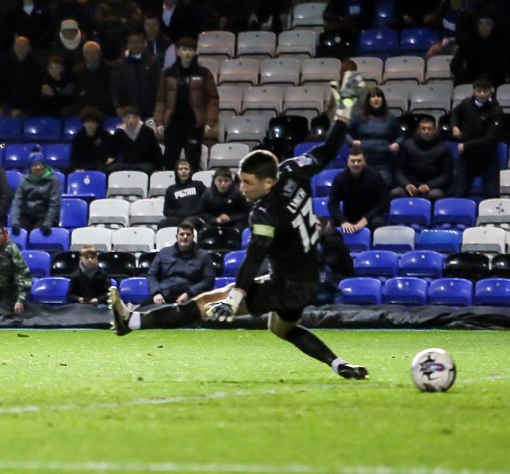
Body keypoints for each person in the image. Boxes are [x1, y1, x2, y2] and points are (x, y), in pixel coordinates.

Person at [110, 71, 371, 380]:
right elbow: (328, 149)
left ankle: (132, 323)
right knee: (281, 327)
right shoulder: (292, 171)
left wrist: (233, 300)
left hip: (287, 284)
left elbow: (253, 258)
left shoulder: (265, 212)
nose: (242, 188)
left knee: (206, 302)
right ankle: (339, 364)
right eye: (240, 181)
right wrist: (343, 113)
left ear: (268, 182)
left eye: (248, 183)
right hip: (309, 278)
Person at [154, 37, 219, 171]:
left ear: (195, 52)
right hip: (172, 124)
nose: (187, 53)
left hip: (193, 125)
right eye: (184, 50)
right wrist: (159, 122)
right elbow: (161, 100)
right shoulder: (167, 73)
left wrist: (210, 122)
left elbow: (212, 99)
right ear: (178, 52)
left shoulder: (203, 73)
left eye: (190, 50)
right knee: (170, 161)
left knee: (193, 162)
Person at [451, 77, 502, 198]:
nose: (482, 94)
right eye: (479, 91)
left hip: (488, 158)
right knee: (460, 193)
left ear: (491, 91)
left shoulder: (496, 111)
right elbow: (454, 113)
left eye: (485, 91)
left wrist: (466, 145)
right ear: (474, 91)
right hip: (467, 158)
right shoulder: (466, 103)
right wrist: (454, 126)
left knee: (492, 195)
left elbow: (490, 138)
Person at [144, 222, 214, 305]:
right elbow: (152, 275)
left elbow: (208, 280)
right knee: (138, 313)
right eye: (182, 234)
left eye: (188, 234)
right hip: (163, 298)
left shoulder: (204, 256)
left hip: (191, 299)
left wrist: (189, 293)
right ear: (176, 237)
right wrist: (156, 293)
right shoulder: (163, 253)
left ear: (193, 237)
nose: (185, 237)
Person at [327, 146, 389, 234]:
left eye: (359, 161)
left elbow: (385, 202)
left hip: (371, 216)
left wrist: (366, 218)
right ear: (347, 162)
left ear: (364, 162)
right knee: (329, 227)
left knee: (378, 222)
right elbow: (332, 204)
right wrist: (343, 221)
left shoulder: (375, 176)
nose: (356, 164)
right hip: (349, 216)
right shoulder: (340, 178)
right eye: (353, 161)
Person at [390, 116, 453, 202]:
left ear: (435, 130)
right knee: (396, 193)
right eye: (423, 129)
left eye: (429, 129)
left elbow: (446, 175)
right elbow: (398, 170)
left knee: (435, 195)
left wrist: (429, 185)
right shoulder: (406, 145)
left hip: (432, 187)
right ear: (418, 130)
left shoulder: (443, 148)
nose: (426, 131)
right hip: (409, 186)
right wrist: (406, 184)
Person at [348, 87, 401, 186]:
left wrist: (397, 143)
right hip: (362, 164)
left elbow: (401, 136)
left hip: (384, 164)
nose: (376, 99)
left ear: (383, 99)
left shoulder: (391, 118)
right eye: (373, 97)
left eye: (379, 96)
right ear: (368, 100)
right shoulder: (358, 117)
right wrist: (352, 142)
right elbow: (345, 134)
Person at [111, 31, 160, 119]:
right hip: (128, 111)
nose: (135, 44)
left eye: (138, 41)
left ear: (143, 43)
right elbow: (116, 88)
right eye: (132, 42)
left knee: (150, 131)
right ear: (128, 44)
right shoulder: (120, 65)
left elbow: (158, 86)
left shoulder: (153, 62)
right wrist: (118, 106)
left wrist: (158, 107)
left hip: (149, 111)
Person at [10, 151, 61, 234]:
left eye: (40, 164)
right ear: (30, 167)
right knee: (20, 232)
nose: (37, 167)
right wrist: (15, 222)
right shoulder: (24, 180)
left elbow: (54, 204)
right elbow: (17, 202)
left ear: (44, 166)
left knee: (37, 233)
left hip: (45, 215)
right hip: (28, 214)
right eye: (34, 165)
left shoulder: (53, 181)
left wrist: (48, 222)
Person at [107, 105, 163, 174]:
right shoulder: (119, 133)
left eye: (134, 117)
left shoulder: (148, 131)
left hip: (144, 165)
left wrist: (158, 167)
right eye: (128, 117)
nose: (131, 120)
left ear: (139, 118)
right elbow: (113, 152)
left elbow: (156, 152)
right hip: (126, 164)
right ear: (123, 119)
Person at [159, 159, 207, 229]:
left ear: (190, 171)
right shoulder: (171, 189)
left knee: (186, 224)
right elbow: (166, 211)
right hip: (179, 217)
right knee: (162, 224)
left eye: (186, 169)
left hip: (196, 217)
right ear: (176, 171)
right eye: (180, 169)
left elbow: (208, 200)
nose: (183, 171)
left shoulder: (198, 185)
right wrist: (180, 212)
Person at [69, 106, 112, 172]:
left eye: (93, 122)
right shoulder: (78, 137)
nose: (90, 124)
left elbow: (107, 156)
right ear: (83, 123)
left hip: (100, 167)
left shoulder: (105, 136)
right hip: (82, 167)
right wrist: (77, 168)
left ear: (98, 124)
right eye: (88, 121)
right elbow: (74, 157)